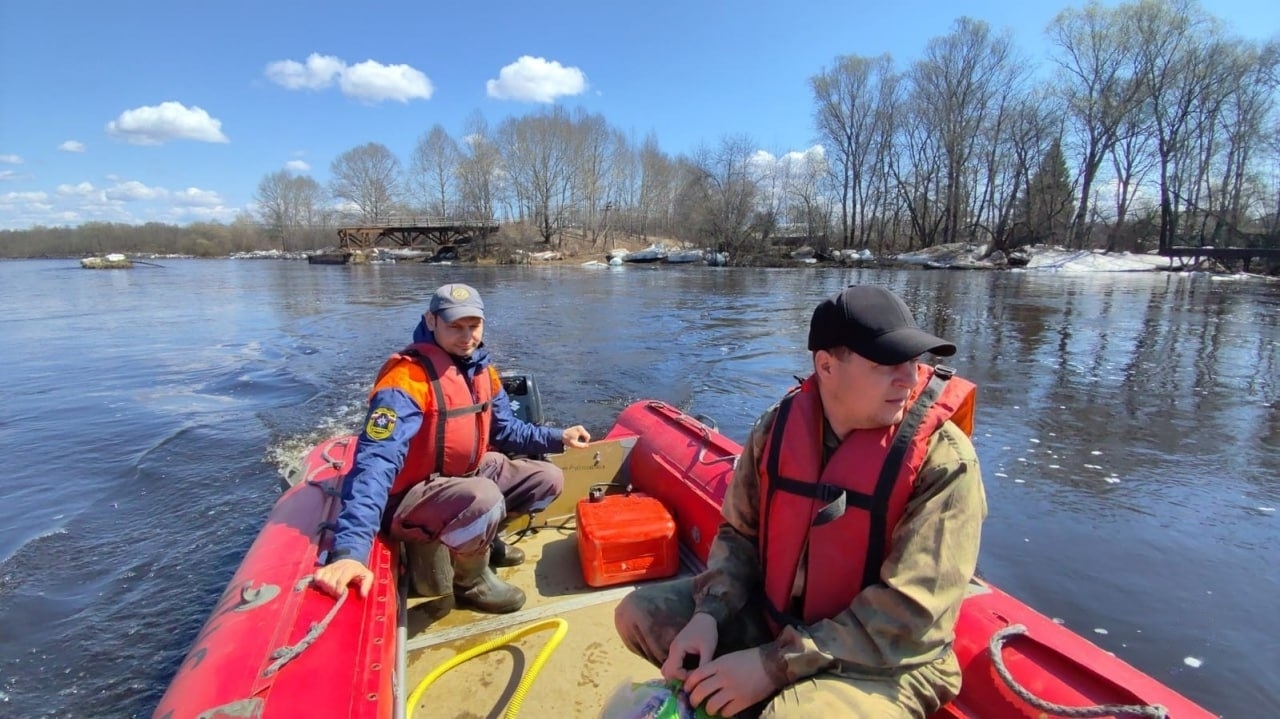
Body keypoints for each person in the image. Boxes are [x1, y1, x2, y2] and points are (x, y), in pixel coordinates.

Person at [614, 285, 986, 718]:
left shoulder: (945, 461)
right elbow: (739, 535)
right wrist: (709, 614)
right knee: (639, 613)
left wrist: (774, 665)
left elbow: (911, 612)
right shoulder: (776, 430)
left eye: (912, 361)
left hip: (889, 660)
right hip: (784, 622)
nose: (909, 378)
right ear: (826, 366)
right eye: (887, 364)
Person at [313, 283, 591, 614]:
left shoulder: (485, 371)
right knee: (483, 496)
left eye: (473, 326)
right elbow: (375, 464)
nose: (466, 337)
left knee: (546, 478)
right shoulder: (405, 381)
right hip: (408, 497)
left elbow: (507, 431)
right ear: (431, 321)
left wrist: (559, 437)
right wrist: (350, 552)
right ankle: (470, 582)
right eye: (455, 327)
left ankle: (484, 542)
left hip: (464, 477)